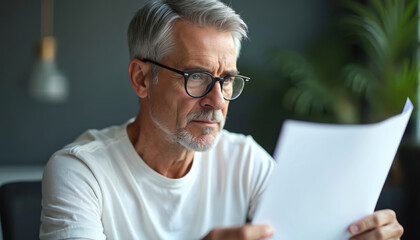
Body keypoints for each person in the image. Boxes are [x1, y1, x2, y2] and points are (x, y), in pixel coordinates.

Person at [40, 0, 404, 239]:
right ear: (141, 79)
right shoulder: (80, 171)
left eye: (226, 79)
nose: (217, 101)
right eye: (196, 76)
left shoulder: (245, 160)